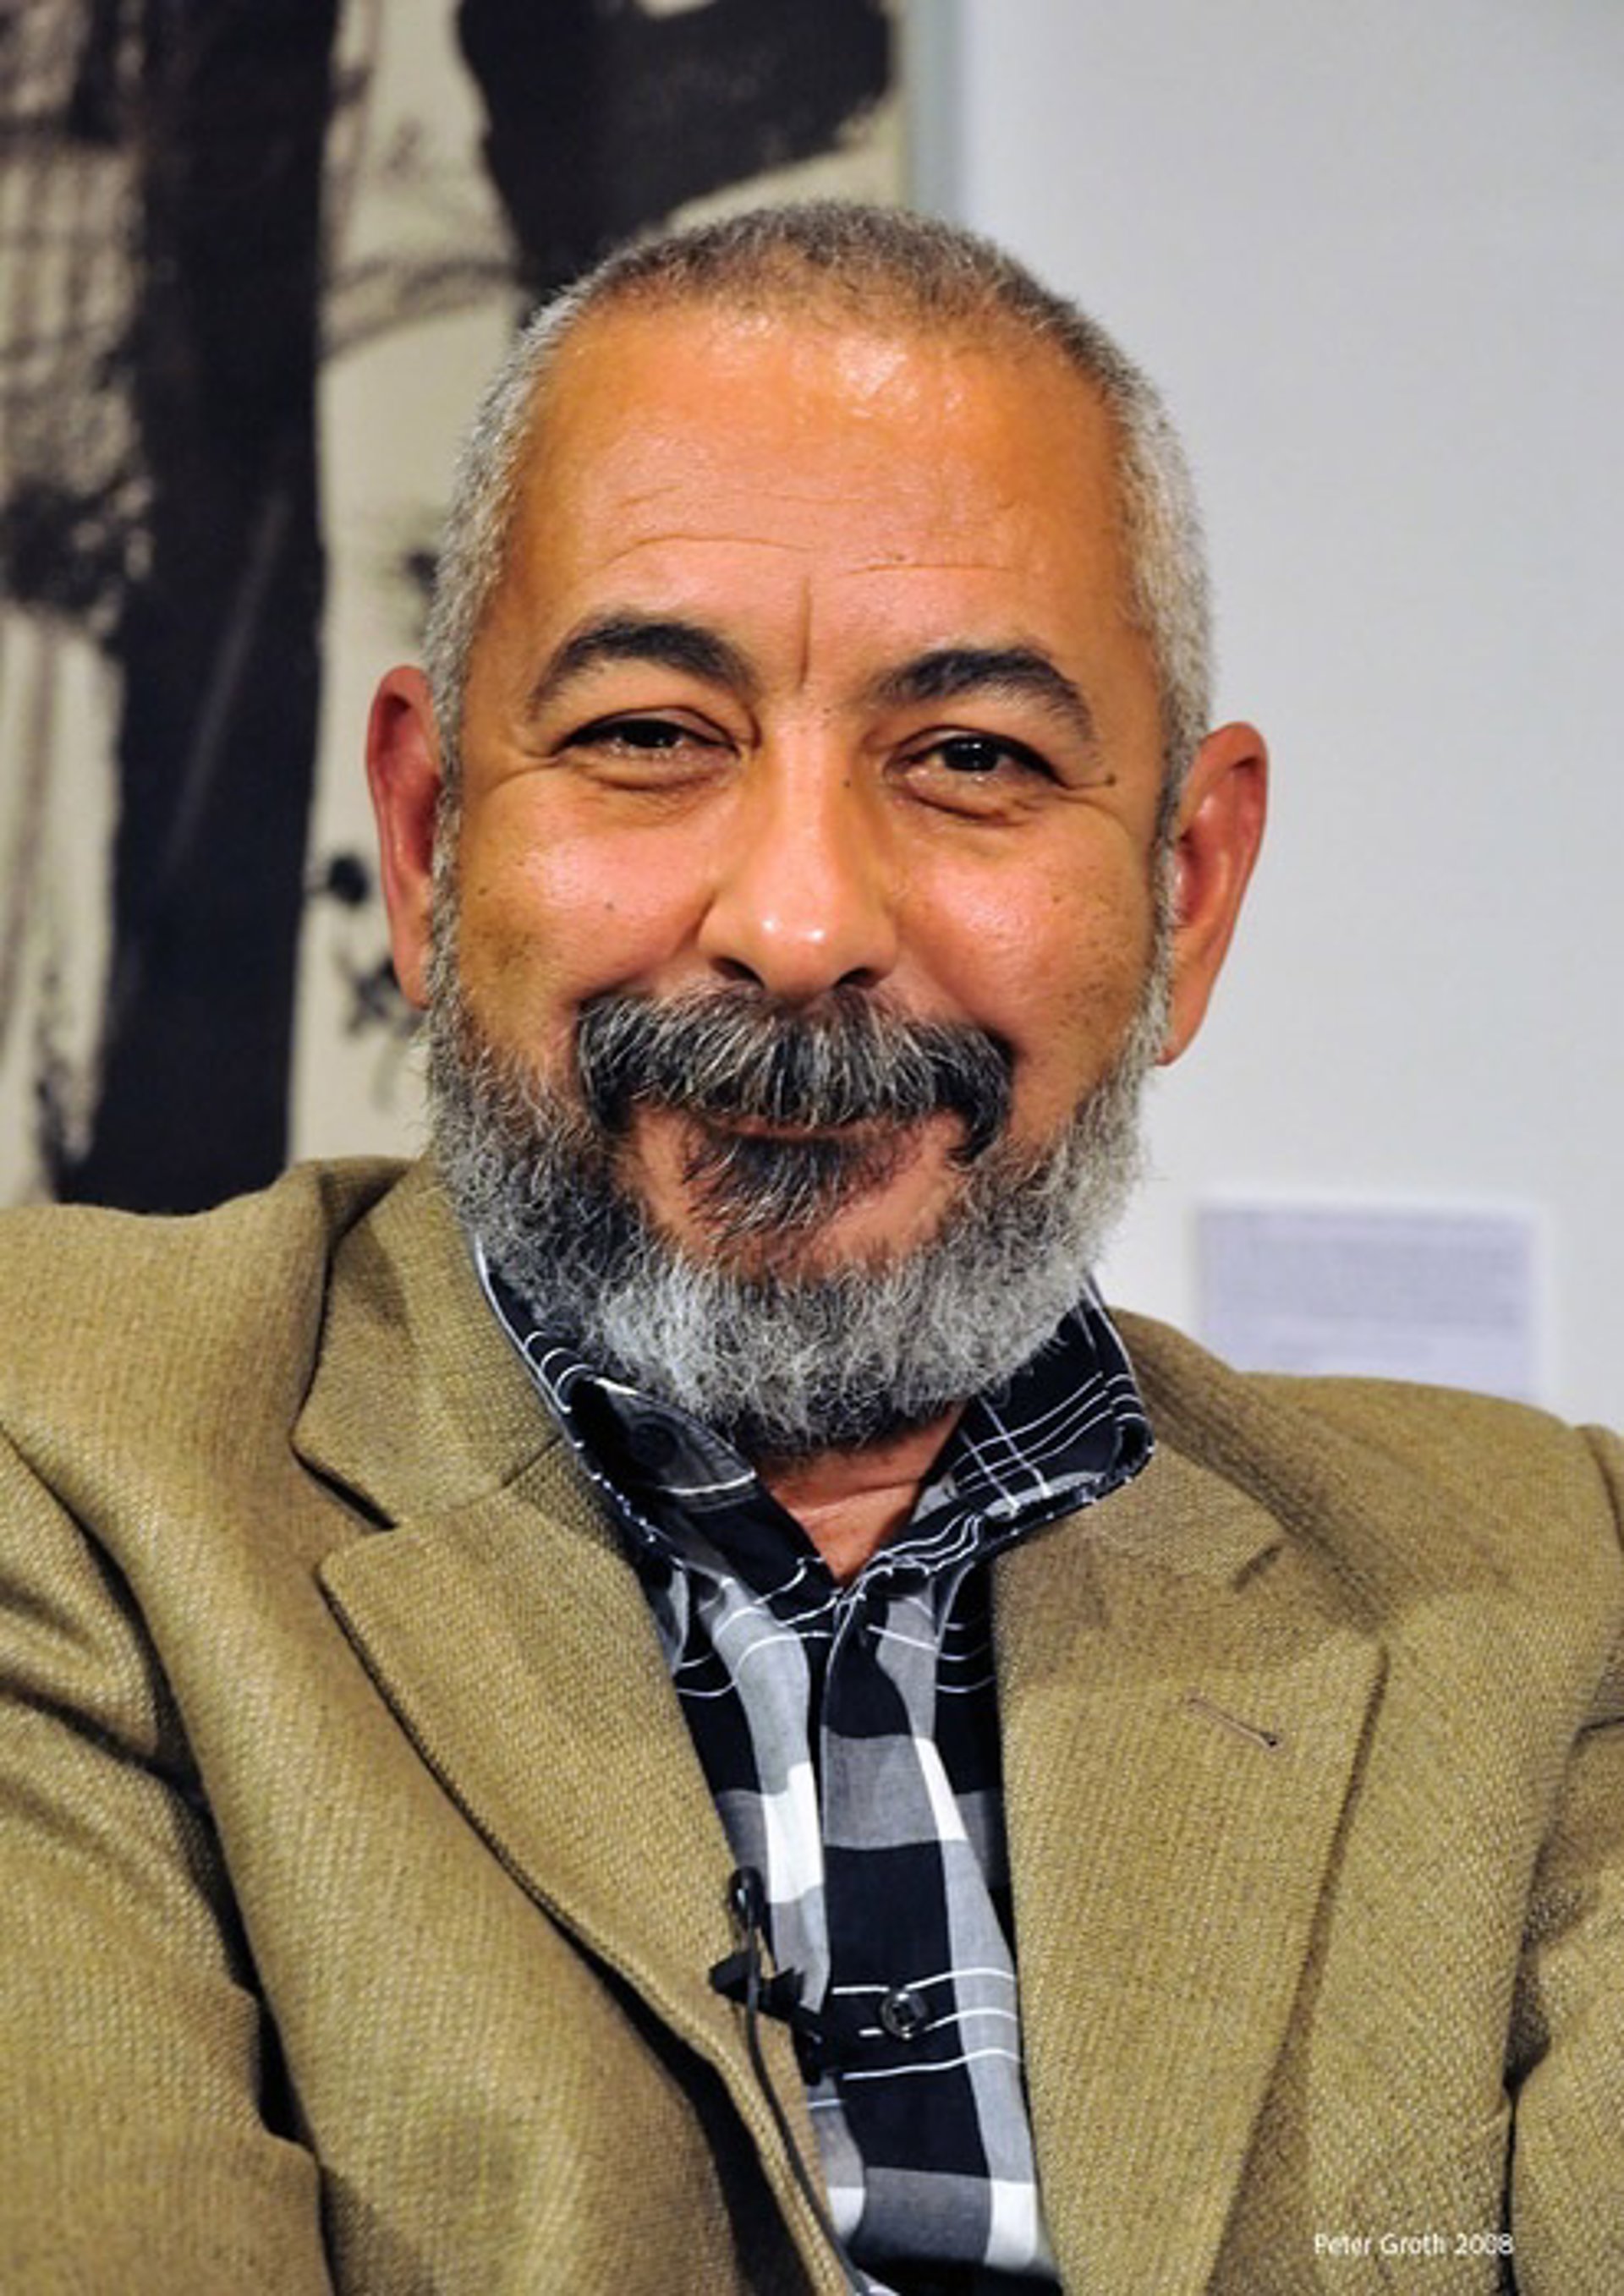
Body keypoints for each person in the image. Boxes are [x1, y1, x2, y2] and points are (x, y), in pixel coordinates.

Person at [0, 203, 1619, 2296]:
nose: (797, 919)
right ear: (427, 839)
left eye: (971, 758)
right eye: (648, 734)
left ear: (1189, 892)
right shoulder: (71, 1456)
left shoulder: (1543, 1578)